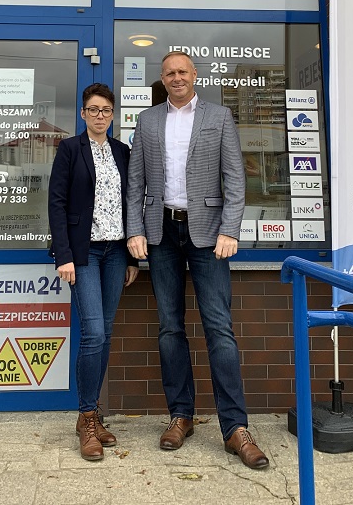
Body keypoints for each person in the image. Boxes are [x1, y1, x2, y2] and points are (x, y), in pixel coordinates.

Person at [126, 52, 269, 470]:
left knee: (219, 329)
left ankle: (235, 428)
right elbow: (135, 182)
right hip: (161, 234)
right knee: (170, 327)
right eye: (169, 72)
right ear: (162, 78)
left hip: (208, 235)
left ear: (194, 76)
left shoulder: (219, 117)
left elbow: (235, 179)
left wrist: (230, 230)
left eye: (182, 72)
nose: (176, 78)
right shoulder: (147, 121)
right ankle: (181, 416)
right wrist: (135, 230)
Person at [48, 83, 139, 461]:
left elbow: (132, 202)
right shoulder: (70, 149)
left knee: (106, 332)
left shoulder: (122, 151)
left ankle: (93, 414)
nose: (100, 116)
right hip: (83, 253)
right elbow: (56, 202)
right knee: (94, 333)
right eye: (93, 110)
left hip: (116, 251)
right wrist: (64, 255)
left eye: (106, 110)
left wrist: (133, 257)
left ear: (113, 115)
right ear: (83, 113)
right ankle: (87, 416)